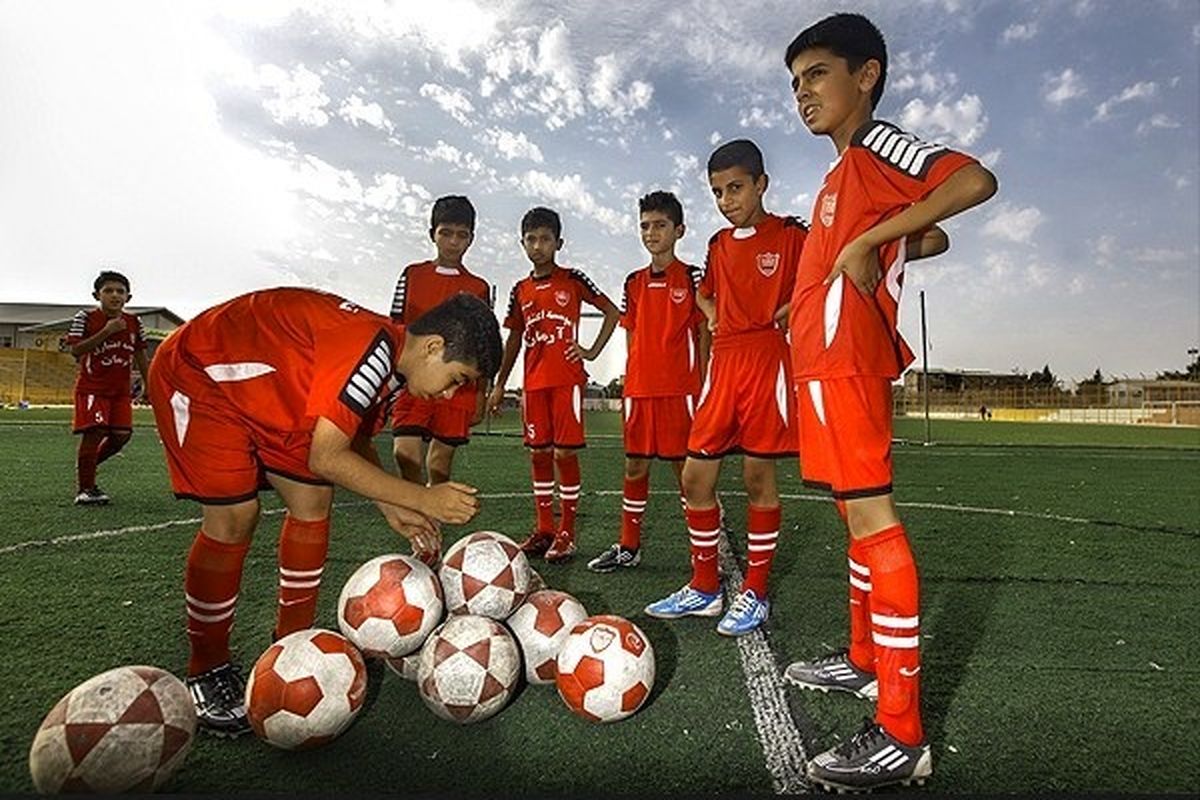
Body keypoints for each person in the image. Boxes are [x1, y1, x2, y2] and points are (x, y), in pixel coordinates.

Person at [780, 13, 997, 791]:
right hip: (818, 362)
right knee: (851, 512)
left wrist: (874, 241)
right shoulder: (840, 173)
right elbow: (925, 237)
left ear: (865, 75)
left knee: (872, 518)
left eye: (817, 74)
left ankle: (901, 731)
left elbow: (970, 182)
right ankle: (865, 659)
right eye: (795, 81)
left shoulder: (877, 143)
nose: (803, 92)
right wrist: (882, 241)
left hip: (847, 363)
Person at [147, 288, 501, 736]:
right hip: (202, 376)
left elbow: (351, 442)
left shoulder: (392, 368)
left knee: (313, 504)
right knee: (234, 518)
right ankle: (207, 668)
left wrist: (389, 501)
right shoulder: (371, 348)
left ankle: (292, 645)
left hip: (276, 404)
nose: (451, 393)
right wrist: (422, 498)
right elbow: (327, 458)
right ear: (433, 347)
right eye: (456, 378)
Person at [644, 139, 805, 637]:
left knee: (758, 479)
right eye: (717, 192)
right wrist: (717, 319)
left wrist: (792, 310)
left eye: (736, 188)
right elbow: (705, 294)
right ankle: (706, 588)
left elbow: (818, 283)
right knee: (696, 479)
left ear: (761, 184)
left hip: (766, 361)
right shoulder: (716, 244)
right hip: (725, 366)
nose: (727, 200)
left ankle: (754, 590)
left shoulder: (791, 234)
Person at [487, 207, 620, 563]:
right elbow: (513, 339)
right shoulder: (520, 290)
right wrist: (501, 384)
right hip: (533, 385)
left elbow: (613, 312)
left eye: (545, 239)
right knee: (539, 453)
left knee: (564, 453)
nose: (538, 245)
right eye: (531, 239)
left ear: (558, 242)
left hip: (567, 382)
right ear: (522, 243)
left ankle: (567, 533)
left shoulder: (573, 280)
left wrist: (590, 350)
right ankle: (545, 529)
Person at [587, 191, 708, 573]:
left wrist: (704, 386)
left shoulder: (692, 276)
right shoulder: (633, 282)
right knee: (635, 468)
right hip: (640, 391)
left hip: (680, 390)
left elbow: (705, 334)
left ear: (679, 230)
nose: (651, 233)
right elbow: (632, 333)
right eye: (645, 226)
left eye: (659, 225)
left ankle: (701, 553)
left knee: (686, 475)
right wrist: (631, 380)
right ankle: (628, 546)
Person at [390, 195, 492, 486]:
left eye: (462, 235)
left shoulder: (478, 287)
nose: (453, 242)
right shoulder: (412, 275)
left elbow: (483, 347)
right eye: (446, 233)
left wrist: (482, 394)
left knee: (439, 464)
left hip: (458, 389)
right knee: (405, 454)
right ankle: (417, 511)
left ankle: (432, 523)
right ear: (432, 233)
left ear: (471, 239)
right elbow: (394, 329)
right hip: (414, 383)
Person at [66, 270, 150, 506]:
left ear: (128, 297)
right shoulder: (85, 317)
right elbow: (75, 350)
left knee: (122, 436)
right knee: (95, 434)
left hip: (121, 391)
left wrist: (147, 383)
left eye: (120, 291)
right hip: (92, 388)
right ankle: (86, 489)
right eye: (109, 291)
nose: (115, 295)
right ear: (97, 295)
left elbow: (141, 353)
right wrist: (107, 331)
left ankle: (87, 464)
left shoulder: (135, 322)